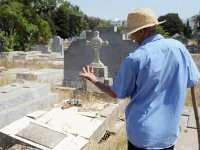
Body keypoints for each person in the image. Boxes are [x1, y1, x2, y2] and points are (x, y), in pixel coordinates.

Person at [80, 8, 200, 150]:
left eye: (134, 33)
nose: (132, 38)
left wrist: (94, 80)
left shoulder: (136, 59)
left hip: (142, 136)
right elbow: (193, 80)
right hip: (169, 134)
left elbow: (116, 93)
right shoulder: (179, 48)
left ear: (143, 31)